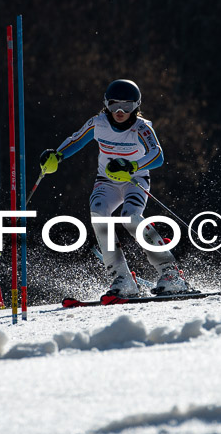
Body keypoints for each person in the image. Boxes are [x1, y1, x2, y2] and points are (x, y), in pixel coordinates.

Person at [39, 79, 190, 298]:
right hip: (106, 181)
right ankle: (122, 278)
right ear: (106, 104)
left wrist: (133, 166)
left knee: (130, 216)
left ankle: (171, 274)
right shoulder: (98, 124)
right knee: (99, 214)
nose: (119, 111)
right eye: (114, 104)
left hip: (135, 179)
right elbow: (76, 140)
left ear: (136, 106)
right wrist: (57, 155)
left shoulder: (141, 127)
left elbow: (158, 155)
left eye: (127, 106)